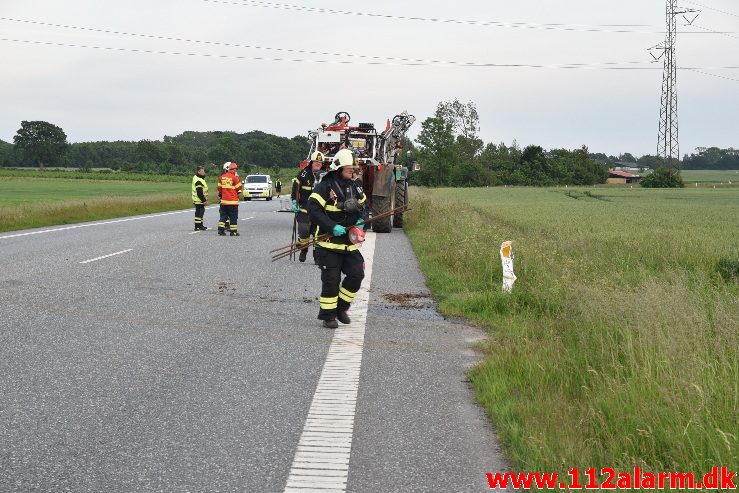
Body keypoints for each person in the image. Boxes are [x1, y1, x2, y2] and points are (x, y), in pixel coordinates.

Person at [307, 149, 367, 329]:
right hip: (328, 244)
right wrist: (331, 226)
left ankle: (341, 308)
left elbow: (364, 206)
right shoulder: (325, 186)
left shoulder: (355, 185)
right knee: (331, 281)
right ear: (339, 168)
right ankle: (328, 316)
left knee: (357, 274)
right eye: (349, 168)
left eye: (353, 168)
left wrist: (361, 220)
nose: (353, 171)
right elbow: (313, 210)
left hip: (349, 244)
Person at [291, 151, 325, 262]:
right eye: (316, 162)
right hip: (304, 208)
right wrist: (294, 201)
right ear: (312, 162)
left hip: (319, 211)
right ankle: (303, 249)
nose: (318, 164)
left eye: (320, 162)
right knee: (304, 231)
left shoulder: (324, 176)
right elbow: (295, 189)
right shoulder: (303, 174)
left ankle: (317, 256)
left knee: (317, 234)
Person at [217, 162, 243, 236]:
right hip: (232, 202)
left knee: (223, 216)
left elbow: (219, 188)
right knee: (233, 217)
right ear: (234, 170)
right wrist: (237, 178)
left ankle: (221, 231)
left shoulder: (221, 177)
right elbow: (239, 187)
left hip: (224, 201)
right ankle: (233, 232)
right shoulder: (234, 177)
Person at [191, 165, 209, 231]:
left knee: (201, 212)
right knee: (199, 212)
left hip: (199, 199)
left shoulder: (200, 178)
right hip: (198, 199)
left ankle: (200, 225)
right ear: (199, 172)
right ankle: (197, 226)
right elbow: (199, 192)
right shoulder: (198, 180)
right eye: (203, 171)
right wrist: (204, 200)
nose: (204, 172)